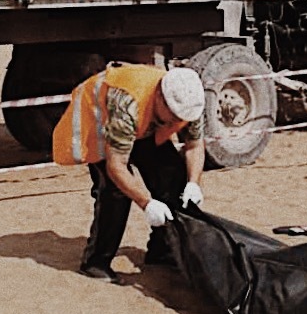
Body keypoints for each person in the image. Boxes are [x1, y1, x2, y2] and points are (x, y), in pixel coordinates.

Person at [52, 63, 208, 284]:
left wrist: (193, 183)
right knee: (115, 192)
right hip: (100, 121)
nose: (177, 122)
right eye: (173, 115)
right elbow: (116, 166)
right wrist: (147, 203)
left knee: (173, 177)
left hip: (145, 125)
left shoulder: (190, 101)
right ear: (160, 98)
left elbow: (194, 146)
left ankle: (161, 250)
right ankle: (96, 261)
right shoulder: (127, 103)